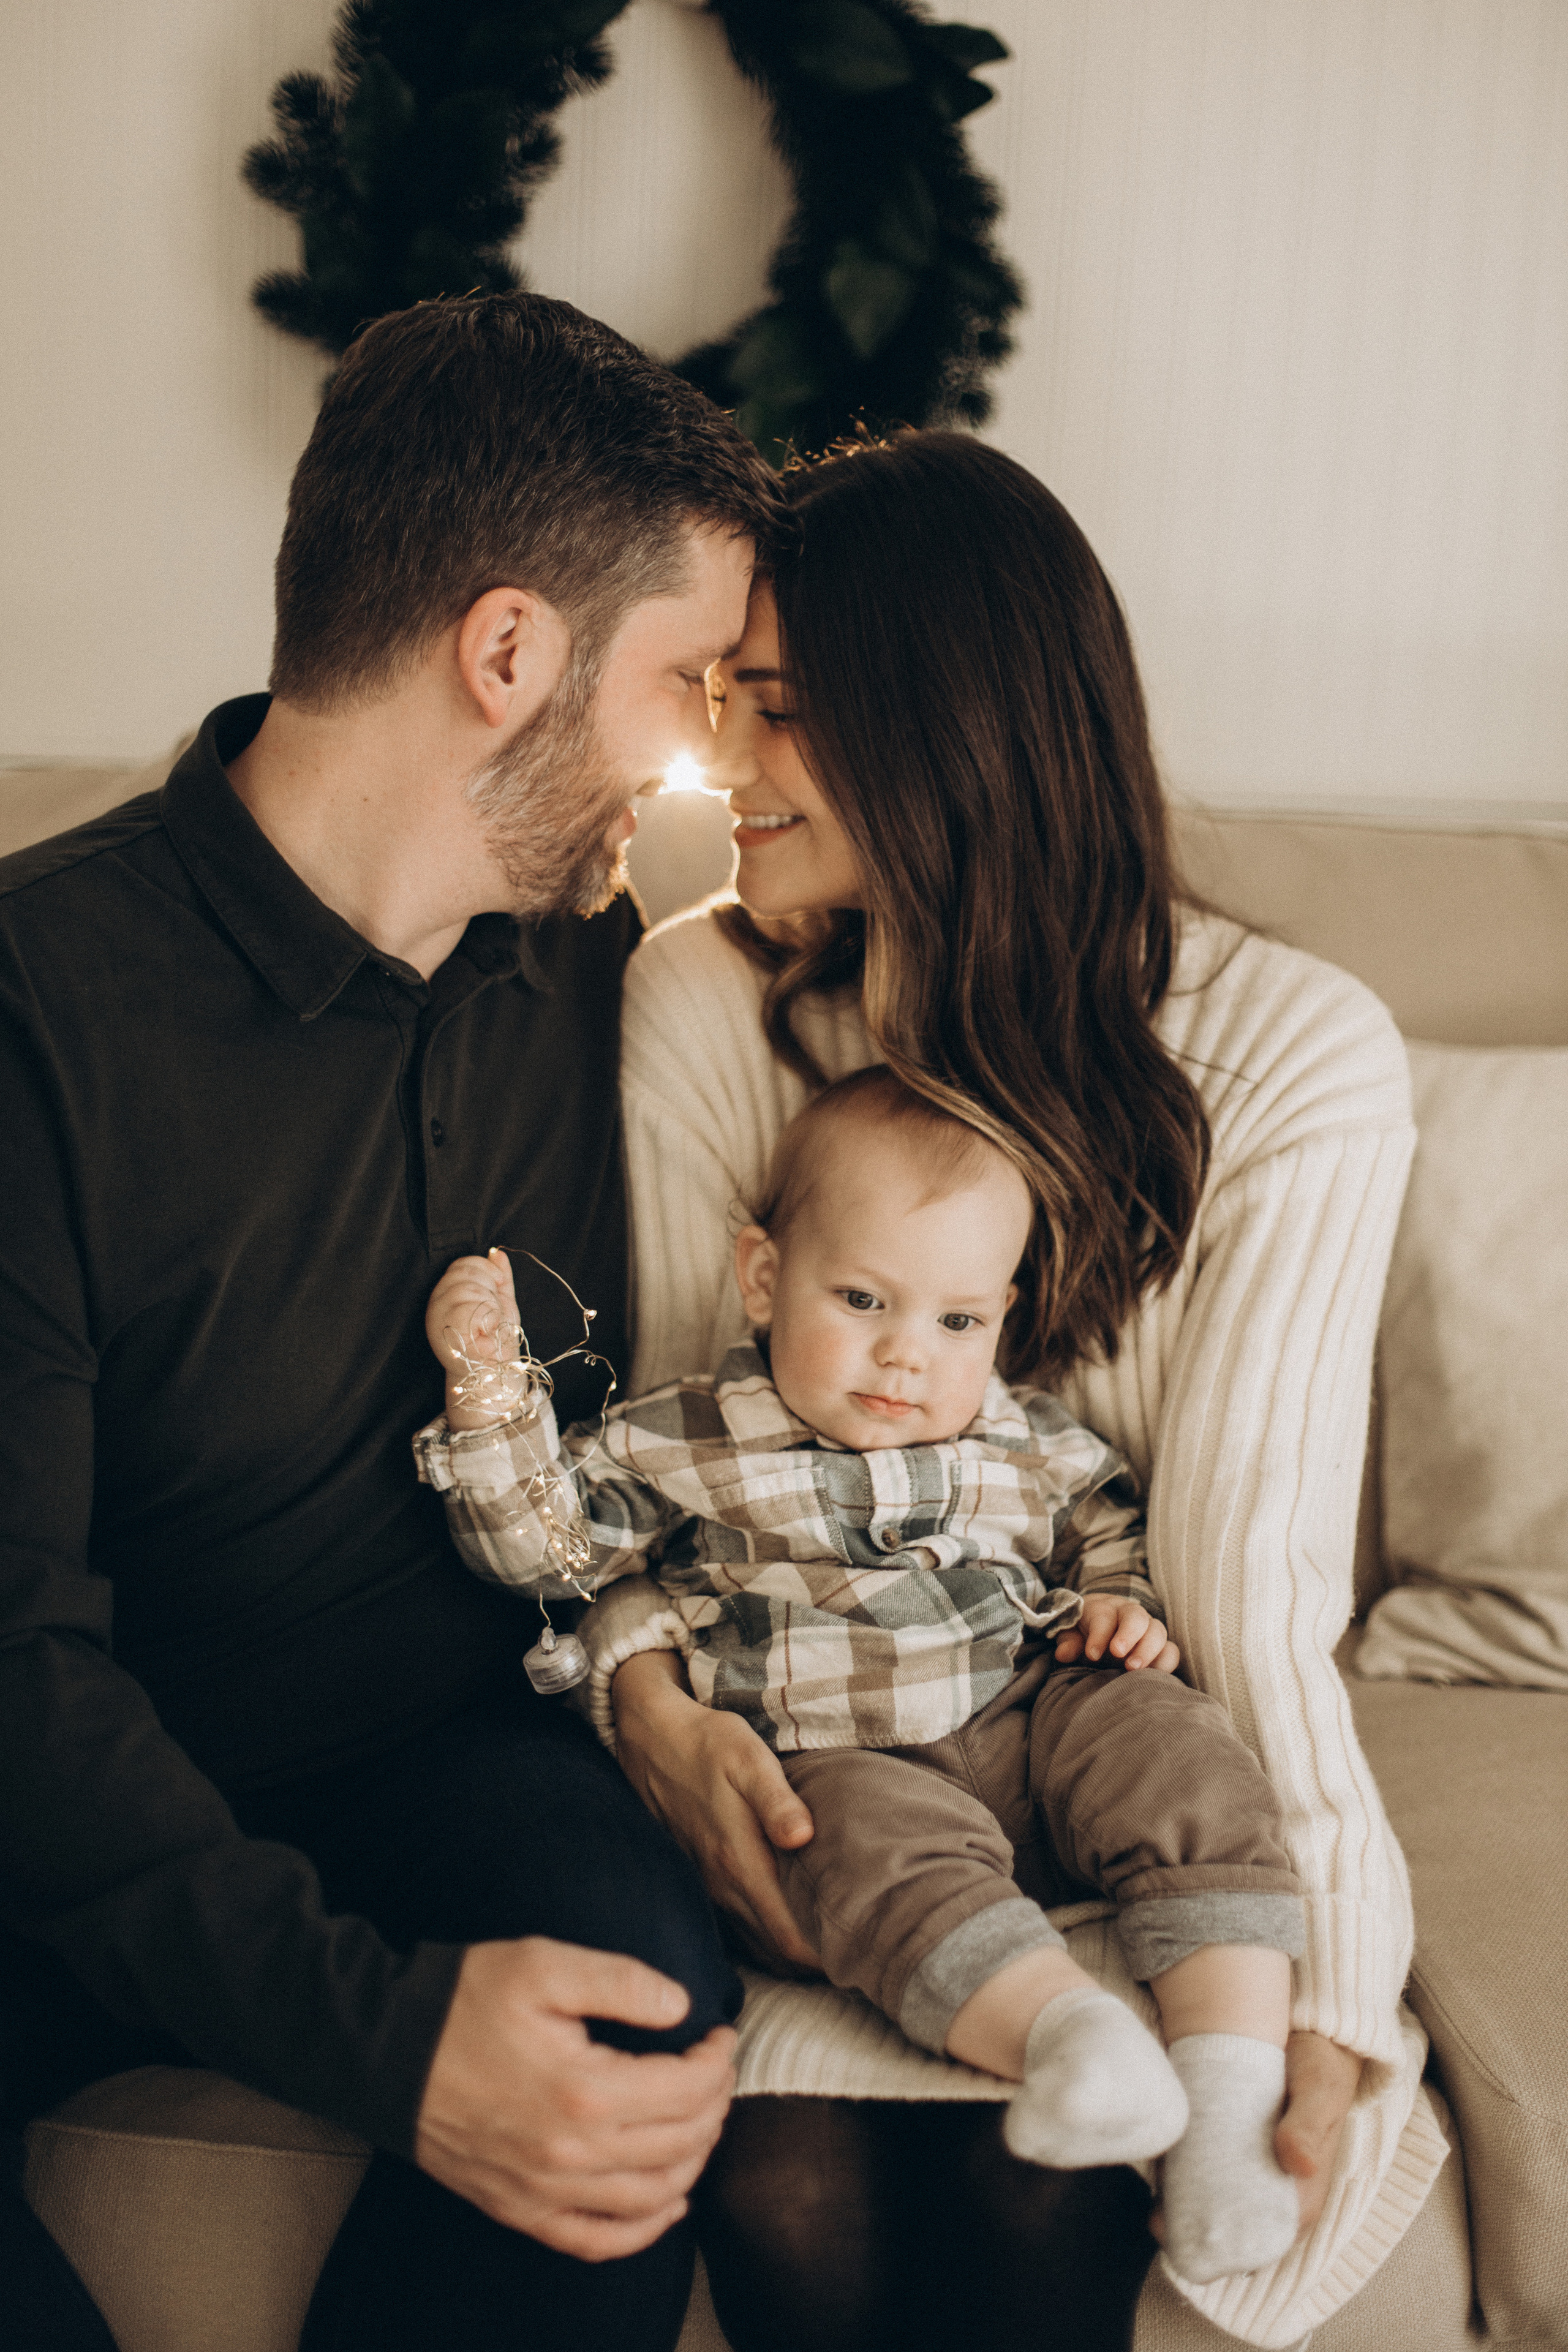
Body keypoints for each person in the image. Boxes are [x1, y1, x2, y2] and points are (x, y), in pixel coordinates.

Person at [576, 432, 1441, 2352]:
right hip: (830, 1774)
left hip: (1115, 1760)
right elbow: (660, 1457)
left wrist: (1326, 1984)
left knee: (1043, 2187)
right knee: (786, 2179)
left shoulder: (1292, 1056)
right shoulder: (702, 1000)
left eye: (779, 709)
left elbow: (1253, 1583)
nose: (727, 765)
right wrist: (649, 1717)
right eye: (722, 702)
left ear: (943, 734)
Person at [0, 292, 782, 2352]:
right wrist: (383, 2037)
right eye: (683, 682)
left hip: (430, 1760)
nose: (699, 755)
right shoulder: (35, 1011)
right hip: (58, 1795)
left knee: (632, 2019)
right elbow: (14, 1673)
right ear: (507, 652)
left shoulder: (610, 979)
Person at [417, 1065, 1309, 2287]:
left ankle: (1225, 2097)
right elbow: (548, 1553)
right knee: (841, 1844)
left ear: (1001, 1317)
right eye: (861, 1300)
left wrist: (1121, 1606)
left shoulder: (1021, 1432)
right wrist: (488, 1398)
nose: (906, 1356)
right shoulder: (684, 1435)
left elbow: (1105, 1525)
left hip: (1036, 1701)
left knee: (1172, 1742)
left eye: (958, 1322)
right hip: (845, 1752)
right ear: (762, 1277)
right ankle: (1068, 2039)